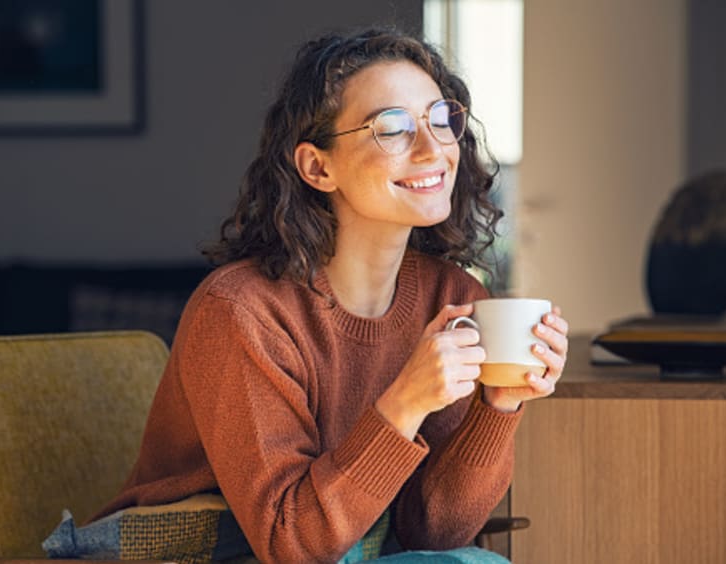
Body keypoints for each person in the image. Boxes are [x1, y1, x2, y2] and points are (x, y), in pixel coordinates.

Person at [93, 28, 569, 563]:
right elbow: (289, 544)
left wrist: (498, 405)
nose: (432, 146)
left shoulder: (453, 297)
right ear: (318, 167)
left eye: (440, 119)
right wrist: (404, 402)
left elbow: (431, 534)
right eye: (392, 127)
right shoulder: (241, 312)